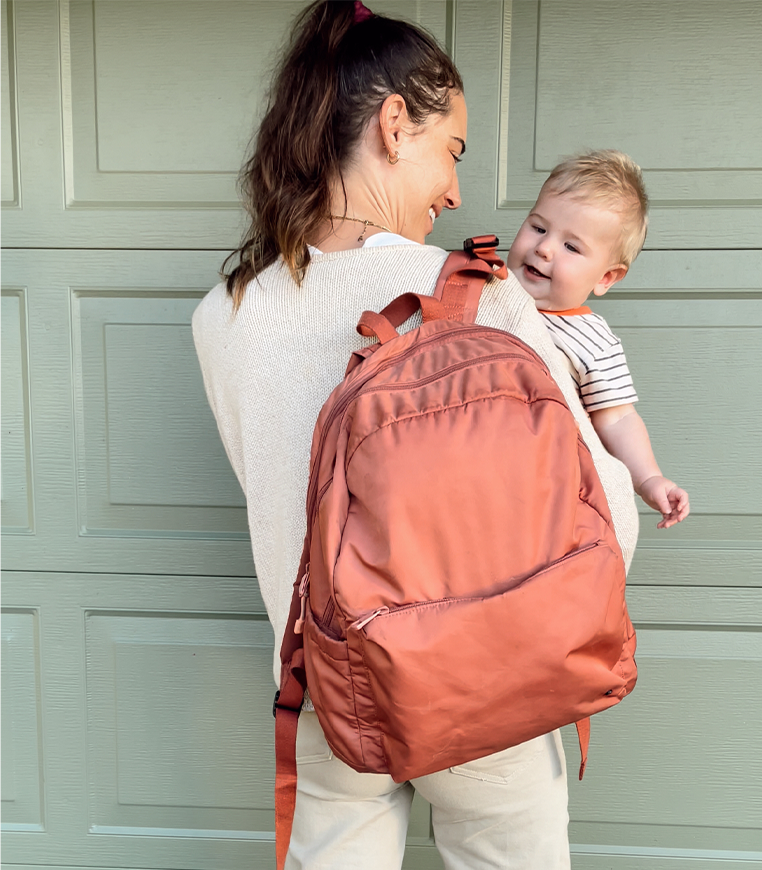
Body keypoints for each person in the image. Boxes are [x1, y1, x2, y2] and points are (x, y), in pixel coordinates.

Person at [192, 2, 639, 867]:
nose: (457, 190)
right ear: (395, 125)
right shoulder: (473, 289)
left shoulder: (225, 313)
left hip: (330, 690)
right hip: (485, 680)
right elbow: (599, 509)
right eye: (453, 150)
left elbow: (281, 504)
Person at [507, 150, 690, 529]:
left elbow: (618, 417)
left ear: (606, 278)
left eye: (572, 247)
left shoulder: (592, 341)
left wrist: (649, 478)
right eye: (538, 227)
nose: (543, 248)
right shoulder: (484, 285)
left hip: (535, 485)